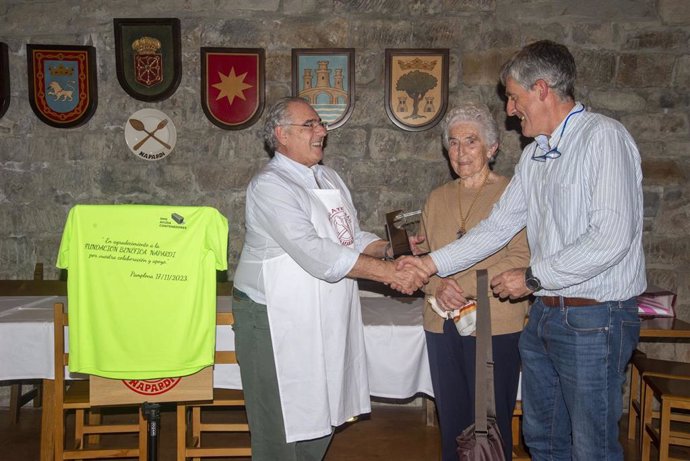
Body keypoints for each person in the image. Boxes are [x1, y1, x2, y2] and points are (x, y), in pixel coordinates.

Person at [402, 40, 645, 460]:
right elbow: (495, 228)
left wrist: (533, 277)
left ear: (542, 89)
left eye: (514, 98)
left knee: (591, 446)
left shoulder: (602, 139)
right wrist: (428, 264)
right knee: (543, 439)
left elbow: (611, 237)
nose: (511, 110)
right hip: (547, 315)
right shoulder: (536, 156)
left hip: (595, 316)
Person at [232, 96, 429, 461]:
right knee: (280, 422)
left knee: (320, 410)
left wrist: (392, 249)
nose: (322, 130)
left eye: (320, 123)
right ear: (282, 135)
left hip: (322, 315)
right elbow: (315, 251)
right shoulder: (270, 186)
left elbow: (348, 236)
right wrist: (388, 275)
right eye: (310, 125)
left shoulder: (328, 177)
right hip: (272, 318)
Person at [416, 102, 530, 461]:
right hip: (441, 324)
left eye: (471, 141)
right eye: (453, 142)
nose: (460, 151)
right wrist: (435, 286)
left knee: (489, 428)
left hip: (495, 324)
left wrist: (460, 285)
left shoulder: (514, 193)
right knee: (452, 426)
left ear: (492, 148)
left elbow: (522, 256)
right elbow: (423, 262)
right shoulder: (436, 199)